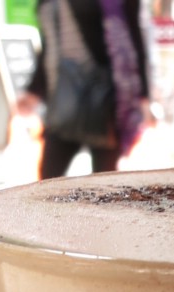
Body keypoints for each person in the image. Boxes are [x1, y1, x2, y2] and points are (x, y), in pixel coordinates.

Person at [19, 0, 149, 178]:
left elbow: (135, 39)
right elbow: (48, 44)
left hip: (104, 100)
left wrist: (144, 97)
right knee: (48, 177)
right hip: (60, 100)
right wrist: (33, 90)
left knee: (104, 182)